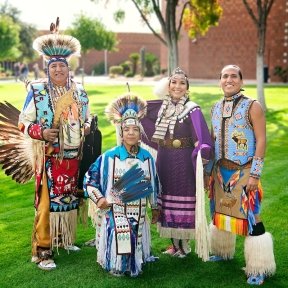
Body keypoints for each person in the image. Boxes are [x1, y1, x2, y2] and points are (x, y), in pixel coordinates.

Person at [17, 18, 91, 270]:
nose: (58, 70)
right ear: (47, 69)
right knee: (47, 204)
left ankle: (64, 239)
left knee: (69, 199)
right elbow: (23, 123)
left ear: (69, 68)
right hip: (48, 156)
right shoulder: (37, 91)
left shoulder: (79, 91)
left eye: (62, 66)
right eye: (54, 66)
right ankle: (43, 249)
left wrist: (87, 126)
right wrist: (41, 131)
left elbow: (87, 117)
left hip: (72, 156)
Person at [207, 64, 276, 285]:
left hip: (244, 170)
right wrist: (209, 171)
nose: (229, 79)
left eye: (234, 76)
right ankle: (223, 251)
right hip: (220, 172)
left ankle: (258, 267)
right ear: (220, 81)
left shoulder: (252, 106)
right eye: (225, 76)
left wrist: (255, 175)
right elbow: (212, 140)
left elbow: (262, 140)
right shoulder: (215, 108)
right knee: (221, 212)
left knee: (252, 218)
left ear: (241, 81)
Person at [141, 67, 214, 260]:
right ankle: (174, 244)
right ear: (168, 85)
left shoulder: (193, 109)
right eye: (174, 82)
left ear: (187, 88)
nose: (177, 86)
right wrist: (128, 112)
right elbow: (142, 114)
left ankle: (184, 245)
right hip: (164, 159)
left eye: (182, 83)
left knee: (183, 198)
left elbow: (201, 137)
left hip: (183, 161)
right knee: (166, 198)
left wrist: (201, 155)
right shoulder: (162, 109)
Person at [83, 93, 159, 277]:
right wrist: (99, 198)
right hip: (115, 210)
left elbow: (154, 185)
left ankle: (137, 259)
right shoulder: (110, 157)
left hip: (139, 211)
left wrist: (155, 207)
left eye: (135, 129)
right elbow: (89, 180)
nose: (131, 133)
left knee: (136, 241)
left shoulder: (147, 158)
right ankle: (118, 262)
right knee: (121, 245)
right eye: (127, 129)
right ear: (121, 132)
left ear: (140, 133)